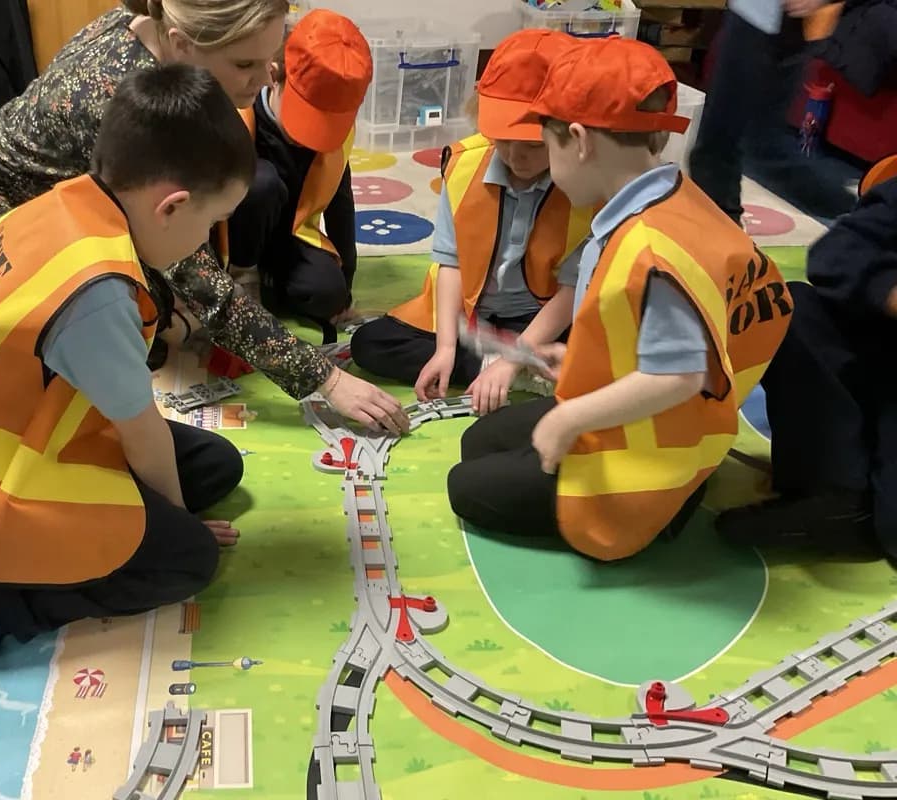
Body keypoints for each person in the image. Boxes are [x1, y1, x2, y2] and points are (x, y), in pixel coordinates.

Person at [0, 64, 254, 725]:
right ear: (172, 206)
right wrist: (172, 529)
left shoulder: (66, 202)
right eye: (211, 224)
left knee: (214, 466)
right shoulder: (98, 290)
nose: (206, 246)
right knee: (186, 560)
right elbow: (140, 432)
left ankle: (22, 568)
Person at [0, 0, 408, 434]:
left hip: (6, 184)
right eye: (246, 65)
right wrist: (326, 379)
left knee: (154, 304)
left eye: (271, 60)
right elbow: (202, 282)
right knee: (123, 334)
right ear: (183, 45)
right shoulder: (129, 101)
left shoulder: (150, 22)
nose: (265, 78)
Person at [447, 37, 794, 562]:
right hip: (651, 418)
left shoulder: (650, 250)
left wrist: (569, 419)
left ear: (579, 141)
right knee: (480, 442)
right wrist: (576, 359)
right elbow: (645, 333)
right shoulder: (671, 199)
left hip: (654, 452)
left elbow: (677, 376)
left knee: (465, 486)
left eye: (547, 144)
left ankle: (669, 504)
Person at [350, 29, 592, 415]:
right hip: (471, 318)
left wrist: (517, 354)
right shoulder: (464, 165)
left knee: (608, 348)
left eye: (533, 145)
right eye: (501, 138)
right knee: (370, 342)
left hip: (544, 319)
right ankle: (502, 368)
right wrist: (446, 347)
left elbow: (571, 291)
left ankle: (516, 366)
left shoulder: (585, 184)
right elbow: (451, 262)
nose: (516, 156)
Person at [716, 162, 897, 561]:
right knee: (792, 307)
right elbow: (837, 252)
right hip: (879, 353)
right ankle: (834, 494)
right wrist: (888, 290)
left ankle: (866, 515)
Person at [225, 9, 371, 337]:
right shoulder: (237, 115)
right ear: (272, 75)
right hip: (234, 237)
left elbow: (340, 203)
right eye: (304, 115)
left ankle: (273, 281)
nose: (310, 137)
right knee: (261, 183)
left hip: (291, 235)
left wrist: (344, 283)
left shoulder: (341, 134)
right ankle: (246, 275)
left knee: (327, 291)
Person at [688, 0, 849, 225]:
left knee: (752, 147)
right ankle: (722, 233)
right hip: (756, 14)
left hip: (772, 21)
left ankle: (866, 214)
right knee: (725, 146)